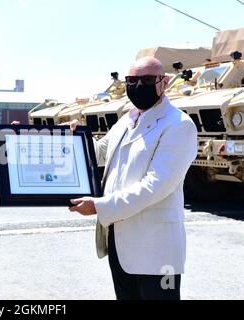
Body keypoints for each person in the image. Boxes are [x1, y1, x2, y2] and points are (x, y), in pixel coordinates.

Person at [69, 57, 198, 300]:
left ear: (164, 82)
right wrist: (73, 138)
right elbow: (98, 153)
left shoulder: (179, 125)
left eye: (147, 80)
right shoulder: (127, 121)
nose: (139, 85)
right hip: (121, 245)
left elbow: (156, 185)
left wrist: (99, 206)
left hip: (157, 251)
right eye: (132, 80)